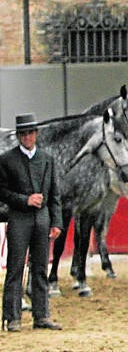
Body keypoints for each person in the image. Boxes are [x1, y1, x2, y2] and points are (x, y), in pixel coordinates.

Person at [0, 113, 64, 331]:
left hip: (43, 219)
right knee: (15, 268)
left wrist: (57, 222)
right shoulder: (7, 160)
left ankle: (42, 315)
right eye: (23, 133)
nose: (27, 137)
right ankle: (12, 317)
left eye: (30, 132)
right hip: (19, 218)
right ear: (19, 136)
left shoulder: (47, 159)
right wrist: (24, 200)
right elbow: (2, 192)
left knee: (40, 268)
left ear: (36, 134)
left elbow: (55, 194)